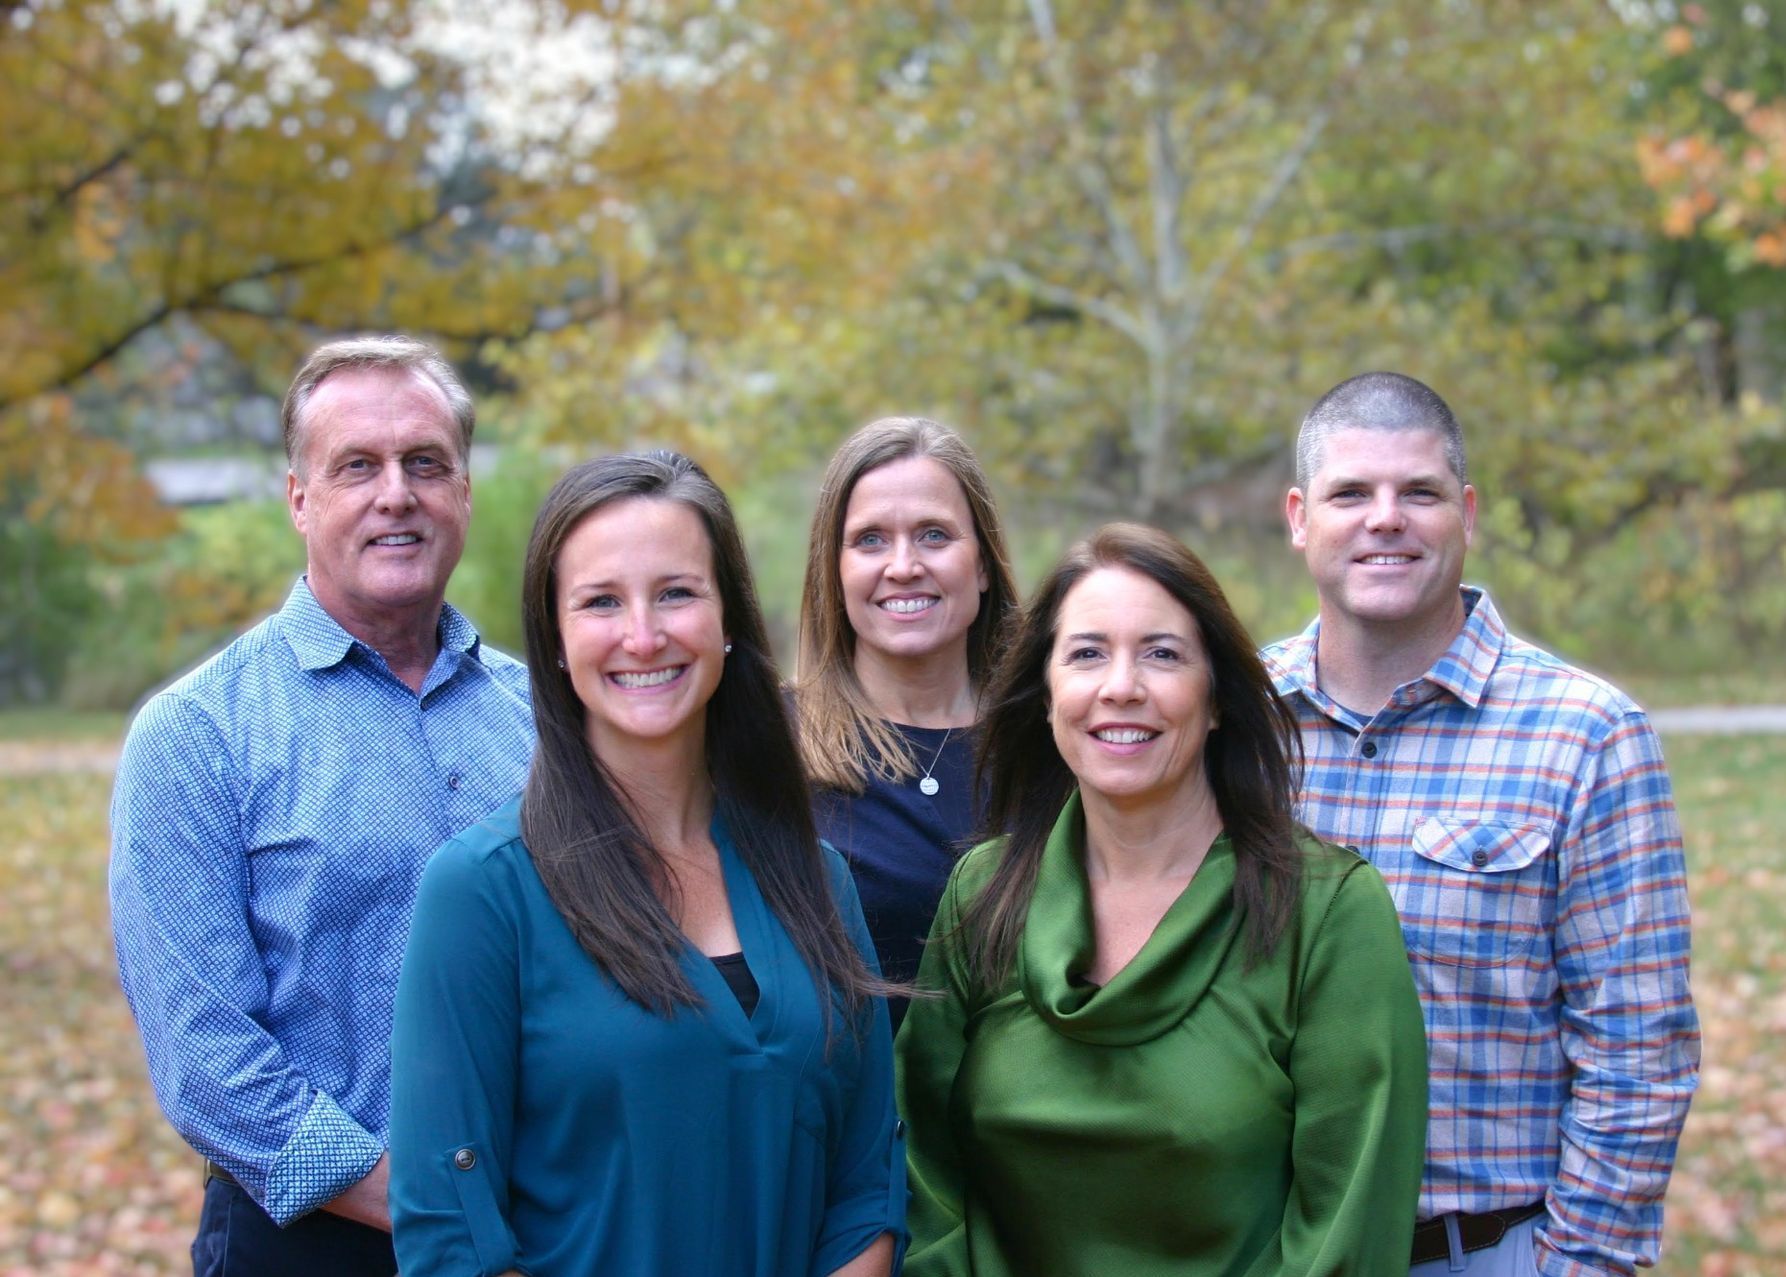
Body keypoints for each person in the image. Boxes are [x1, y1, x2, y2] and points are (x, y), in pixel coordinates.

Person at [388, 451, 904, 1277]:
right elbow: (453, 1228)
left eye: (675, 592)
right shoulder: (482, 892)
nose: (642, 634)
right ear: (554, 639)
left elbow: (865, 1182)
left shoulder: (819, 881)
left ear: (728, 617)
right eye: (600, 601)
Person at [109, 335, 534, 1276]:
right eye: (358, 467)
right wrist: (442, 1210)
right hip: (308, 1243)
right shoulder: (196, 735)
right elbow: (207, 1060)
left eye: (426, 463)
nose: (397, 493)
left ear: (464, 491)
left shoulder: (545, 719)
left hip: (552, 1227)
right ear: (299, 498)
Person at [898, 523, 1427, 1276]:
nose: (1121, 685)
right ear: (1046, 697)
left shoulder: (1326, 910)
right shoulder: (984, 893)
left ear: (1216, 701)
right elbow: (924, 1166)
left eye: (1163, 653)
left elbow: (1349, 1222)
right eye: (1086, 653)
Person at [1262, 371, 1701, 1276]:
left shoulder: (1586, 734)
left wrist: (1577, 1263)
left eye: (1418, 492)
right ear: (1301, 516)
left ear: (1467, 511)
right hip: (1264, 1242)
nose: (1386, 518)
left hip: (1483, 1250)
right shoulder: (1238, 720)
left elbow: (1638, 1049)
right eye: (1352, 492)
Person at [793, 417, 1018, 1029]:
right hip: (854, 1116)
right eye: (869, 540)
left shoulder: (1053, 741)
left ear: (983, 565)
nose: (903, 565)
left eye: (934, 535)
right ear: (833, 572)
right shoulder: (767, 748)